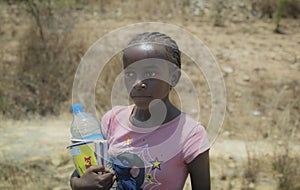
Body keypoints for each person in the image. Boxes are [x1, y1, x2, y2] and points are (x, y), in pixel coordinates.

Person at [70, 32, 211, 190]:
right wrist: (79, 184)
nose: (137, 83)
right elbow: (82, 173)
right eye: (130, 74)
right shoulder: (112, 120)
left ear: (173, 77)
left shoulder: (190, 134)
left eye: (150, 73)